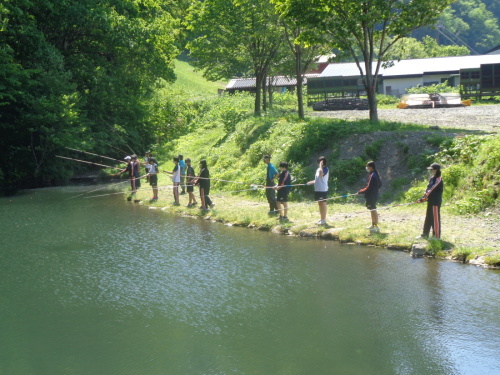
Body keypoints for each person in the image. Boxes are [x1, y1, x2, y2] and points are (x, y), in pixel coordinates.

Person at [416, 163, 443, 239]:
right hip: (430, 201)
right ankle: (425, 234)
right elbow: (427, 189)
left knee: (435, 218)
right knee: (428, 217)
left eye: (432, 169)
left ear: (436, 170)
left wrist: (423, 198)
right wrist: (423, 197)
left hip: (435, 202)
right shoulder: (432, 178)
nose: (431, 171)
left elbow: (431, 190)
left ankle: (436, 236)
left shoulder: (438, 179)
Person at [357, 161, 382, 232]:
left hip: (372, 195)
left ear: (371, 167)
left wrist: (360, 191)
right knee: (371, 209)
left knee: (373, 209)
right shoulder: (373, 174)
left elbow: (368, 187)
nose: (367, 168)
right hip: (372, 194)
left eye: (367, 166)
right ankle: (373, 224)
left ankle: (376, 226)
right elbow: (380, 184)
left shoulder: (373, 175)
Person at [307, 156, 329, 225]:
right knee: (319, 204)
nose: (318, 164)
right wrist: (312, 182)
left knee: (323, 204)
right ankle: (321, 218)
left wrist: (320, 166)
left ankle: (323, 220)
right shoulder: (318, 169)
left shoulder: (325, 169)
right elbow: (318, 179)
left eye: (319, 162)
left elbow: (321, 174)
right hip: (317, 189)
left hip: (323, 189)